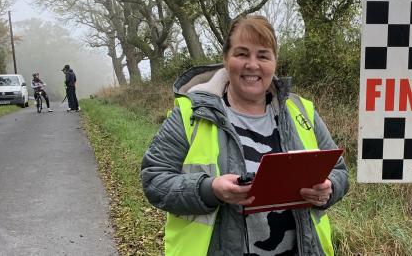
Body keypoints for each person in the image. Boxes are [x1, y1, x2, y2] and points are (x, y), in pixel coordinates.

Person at [141, 15, 348, 255]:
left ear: (274, 63)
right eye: (242, 54)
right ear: (226, 60)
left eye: (263, 55)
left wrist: (328, 188)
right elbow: (154, 180)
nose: (252, 65)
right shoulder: (191, 115)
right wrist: (210, 190)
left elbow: (340, 171)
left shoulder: (301, 111)